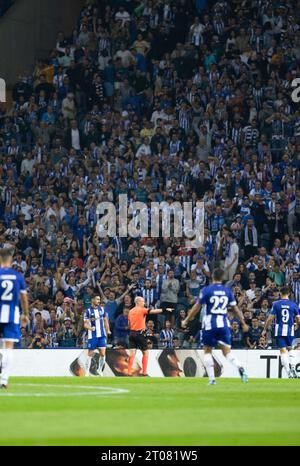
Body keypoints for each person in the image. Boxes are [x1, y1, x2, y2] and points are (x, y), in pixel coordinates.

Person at [182, 269, 249, 385]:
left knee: (207, 351)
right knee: (227, 352)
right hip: (223, 323)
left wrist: (187, 319)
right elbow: (236, 309)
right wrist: (243, 323)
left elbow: (197, 307)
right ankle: (240, 367)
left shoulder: (206, 290)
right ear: (222, 278)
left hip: (209, 324)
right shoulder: (227, 291)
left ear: (212, 277)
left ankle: (212, 379)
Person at [0, 248, 29, 388]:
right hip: (12, 315)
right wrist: (26, 314)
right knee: (9, 347)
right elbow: (24, 297)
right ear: (10, 260)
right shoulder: (17, 276)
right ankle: (4, 380)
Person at [127, 296, 173, 376]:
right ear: (138, 302)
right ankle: (144, 372)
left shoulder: (130, 311)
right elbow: (153, 311)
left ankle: (128, 372)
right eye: (143, 301)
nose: (144, 303)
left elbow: (128, 324)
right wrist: (165, 309)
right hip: (140, 334)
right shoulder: (142, 310)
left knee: (132, 354)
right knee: (145, 353)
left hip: (131, 333)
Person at [262, 287, 300, 378]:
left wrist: (264, 329)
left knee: (282, 351)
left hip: (279, 330)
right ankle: (293, 368)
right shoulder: (293, 304)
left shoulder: (276, 304)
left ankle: (289, 373)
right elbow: (298, 318)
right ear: (289, 294)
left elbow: (270, 318)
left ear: (280, 293)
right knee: (290, 349)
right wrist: (297, 325)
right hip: (290, 330)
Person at [77, 295, 111, 377]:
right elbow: (85, 324)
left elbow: (106, 320)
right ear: (92, 300)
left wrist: (108, 330)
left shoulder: (102, 309)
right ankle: (87, 372)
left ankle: (99, 370)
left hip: (102, 335)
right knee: (90, 354)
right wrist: (90, 328)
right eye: (97, 299)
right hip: (92, 335)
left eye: (99, 299)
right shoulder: (88, 311)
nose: (99, 301)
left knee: (103, 354)